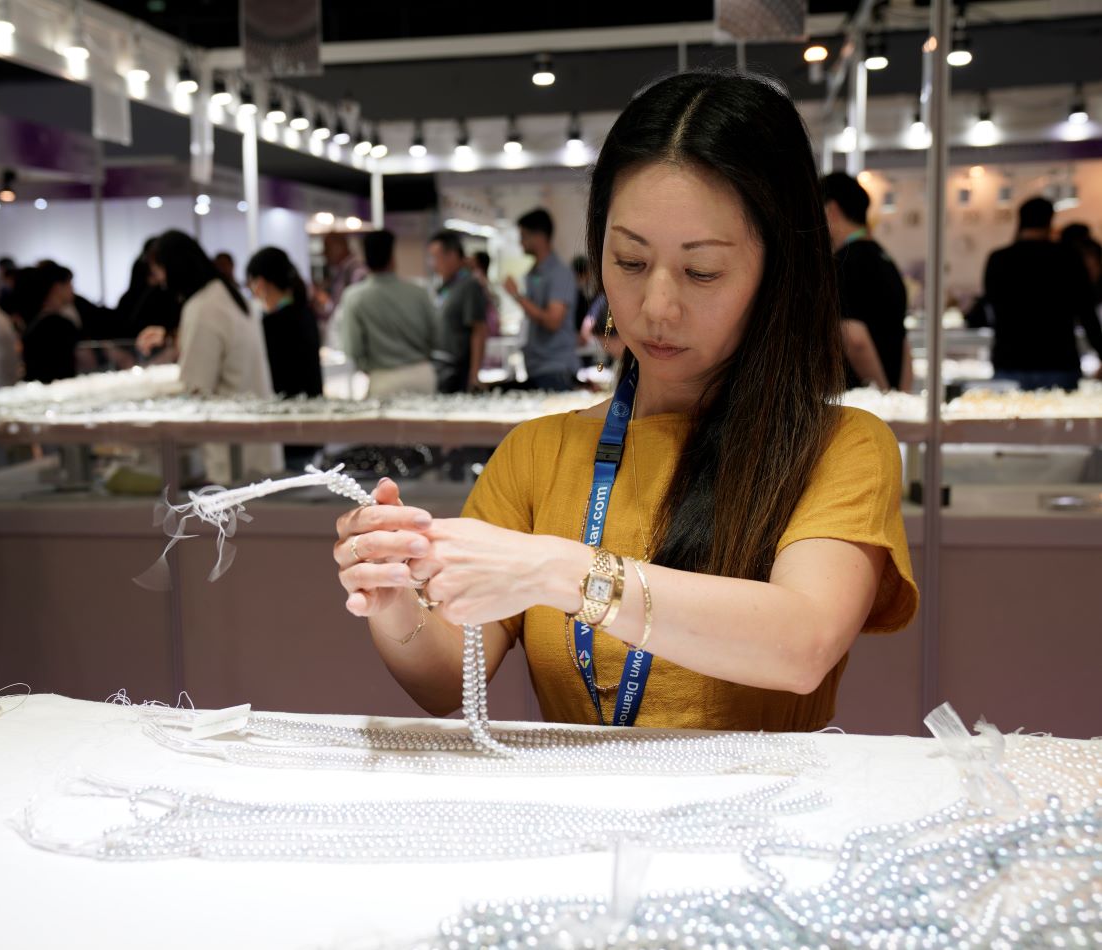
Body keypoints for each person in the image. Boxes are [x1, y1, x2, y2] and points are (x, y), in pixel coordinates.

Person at [333, 70, 918, 732]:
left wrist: (561, 572)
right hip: (586, 830)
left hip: (761, 829)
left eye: (702, 272)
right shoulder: (539, 454)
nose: (655, 307)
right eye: (629, 262)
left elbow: (800, 645)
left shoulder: (839, 447)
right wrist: (393, 600)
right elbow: (445, 679)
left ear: (777, 271)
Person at [143, 230, 282, 478]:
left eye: (159, 271)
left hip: (233, 450)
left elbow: (196, 385)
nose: (161, 281)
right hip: (256, 438)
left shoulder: (203, 306)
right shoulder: (228, 294)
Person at [983, 197, 1102, 390]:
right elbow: (1087, 313)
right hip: (1058, 360)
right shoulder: (1067, 258)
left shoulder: (999, 259)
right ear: (1049, 221)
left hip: (1010, 358)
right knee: (1061, 420)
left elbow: (991, 308)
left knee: (1009, 419)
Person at [821, 172, 910, 392]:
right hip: (890, 393)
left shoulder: (841, 264)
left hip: (863, 400)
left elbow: (854, 338)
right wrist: (898, 398)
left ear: (831, 210)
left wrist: (881, 396)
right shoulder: (885, 258)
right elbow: (903, 339)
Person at [336, 230, 439, 397]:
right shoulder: (419, 292)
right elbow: (436, 336)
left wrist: (367, 367)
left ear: (364, 259)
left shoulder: (354, 297)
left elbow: (352, 348)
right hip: (423, 374)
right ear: (392, 258)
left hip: (383, 378)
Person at [503, 208, 581, 390]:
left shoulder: (559, 274)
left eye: (523, 236)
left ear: (539, 237)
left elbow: (553, 321)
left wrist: (517, 296)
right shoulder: (534, 273)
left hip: (555, 369)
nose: (520, 243)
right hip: (538, 367)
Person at [245, 247, 323, 399]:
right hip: (312, 405)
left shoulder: (271, 323)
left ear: (260, 283)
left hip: (286, 410)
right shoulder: (305, 312)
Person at [428, 230, 488, 393]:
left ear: (452, 255)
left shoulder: (469, 285)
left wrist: (474, 375)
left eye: (436, 257)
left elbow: (479, 329)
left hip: (458, 371)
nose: (433, 264)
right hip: (440, 368)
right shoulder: (444, 287)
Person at [19, 263, 81, 384]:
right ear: (57, 287)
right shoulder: (59, 324)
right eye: (69, 284)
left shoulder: (38, 321)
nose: (72, 289)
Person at [313, 232, 367, 344]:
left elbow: (356, 309)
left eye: (327, 248)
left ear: (338, 247)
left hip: (351, 338)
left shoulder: (356, 272)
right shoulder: (341, 272)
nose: (324, 254)